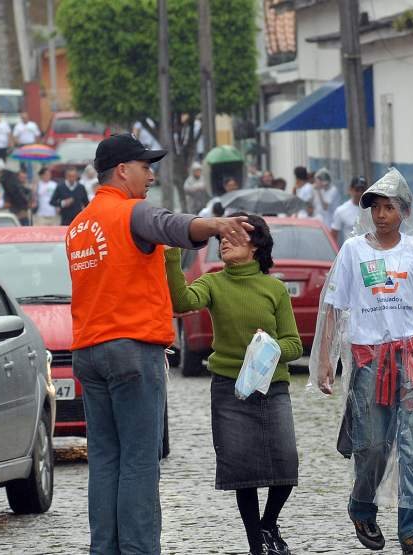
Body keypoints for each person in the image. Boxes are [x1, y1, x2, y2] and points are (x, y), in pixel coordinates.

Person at [66, 133, 253, 554]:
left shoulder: (79, 225)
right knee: (139, 461)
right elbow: (172, 226)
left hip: (88, 352)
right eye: (146, 166)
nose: (151, 175)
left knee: (106, 461)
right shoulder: (130, 212)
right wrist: (217, 224)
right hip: (131, 349)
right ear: (122, 171)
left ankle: (106, 549)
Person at [312, 168, 413, 555]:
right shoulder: (353, 251)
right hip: (367, 359)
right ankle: (362, 506)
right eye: (375, 207)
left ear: (404, 212)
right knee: (373, 445)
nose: (380, 215)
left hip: (412, 356)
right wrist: (326, 360)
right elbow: (333, 308)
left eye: (389, 207)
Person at [165, 213, 303, 555]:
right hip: (230, 390)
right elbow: (182, 303)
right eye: (221, 238)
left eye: (234, 236)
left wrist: (269, 348)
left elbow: (294, 344)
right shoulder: (213, 283)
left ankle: (269, 523)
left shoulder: (274, 288)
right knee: (244, 472)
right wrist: (170, 254)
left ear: (256, 245)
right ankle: (256, 543)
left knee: (285, 465)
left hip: (273, 388)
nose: (224, 241)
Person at [330, 176, 366, 244]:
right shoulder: (341, 210)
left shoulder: (372, 209)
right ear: (350, 190)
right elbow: (333, 235)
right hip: (351, 253)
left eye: (362, 190)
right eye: (357, 190)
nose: (360, 193)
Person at [13, 112, 41, 181]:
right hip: (21, 145)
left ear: (28, 117)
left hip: (30, 145)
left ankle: (30, 178)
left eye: (25, 117)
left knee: (29, 162)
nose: (24, 119)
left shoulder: (33, 125)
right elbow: (15, 136)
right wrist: (17, 142)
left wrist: (36, 143)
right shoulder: (18, 126)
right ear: (21, 118)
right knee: (22, 163)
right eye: (23, 118)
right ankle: (22, 178)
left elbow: (37, 135)